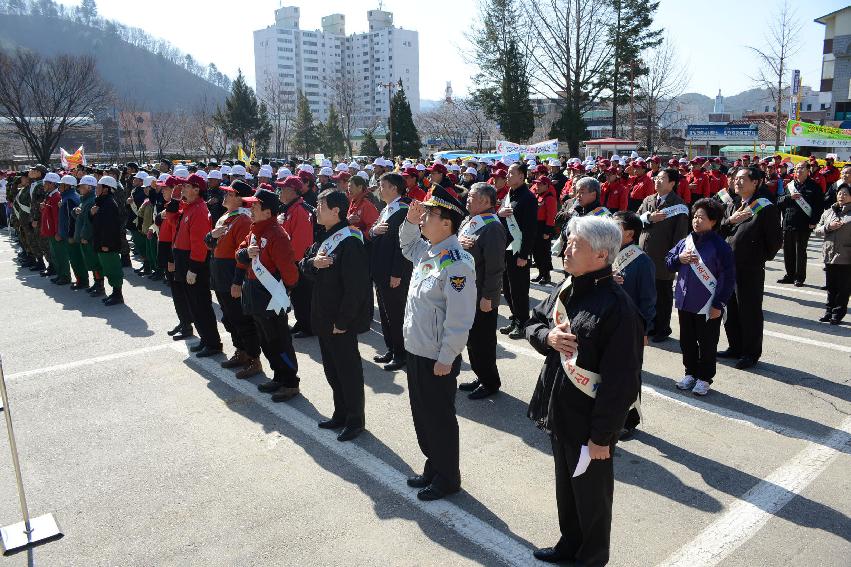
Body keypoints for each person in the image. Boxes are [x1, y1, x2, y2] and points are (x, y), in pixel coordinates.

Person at [525, 215, 642, 567]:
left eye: (576, 244)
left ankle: (591, 558)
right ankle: (569, 544)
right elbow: (534, 322)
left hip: (590, 422)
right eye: (568, 240)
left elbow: (622, 384)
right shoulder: (567, 288)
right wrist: (549, 337)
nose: (565, 248)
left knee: (592, 497)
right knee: (567, 489)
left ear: (602, 255)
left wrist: (602, 437)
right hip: (559, 410)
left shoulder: (618, 308)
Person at [399, 188, 477, 501]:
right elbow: (406, 245)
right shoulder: (430, 251)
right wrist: (409, 220)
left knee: (439, 418)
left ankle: (448, 477)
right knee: (422, 414)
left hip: (436, 357)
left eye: (429, 215)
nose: (423, 218)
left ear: (447, 223)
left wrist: (447, 357)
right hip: (417, 348)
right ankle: (434, 464)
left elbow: (460, 318)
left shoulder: (456, 262)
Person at [300, 189, 372, 441]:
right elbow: (304, 264)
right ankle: (340, 413)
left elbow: (357, 287)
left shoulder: (350, 240)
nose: (316, 210)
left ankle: (355, 419)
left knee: (348, 370)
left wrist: (343, 321)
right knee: (332, 369)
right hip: (323, 314)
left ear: (336, 211)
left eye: (320, 206)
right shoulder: (325, 236)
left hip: (340, 320)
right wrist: (313, 264)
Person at [235, 189, 301, 403]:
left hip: (272, 299)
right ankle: (278, 375)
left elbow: (290, 272)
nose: (250, 209)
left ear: (267, 211)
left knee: (280, 342)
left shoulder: (276, 234)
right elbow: (240, 252)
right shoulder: (255, 230)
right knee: (267, 341)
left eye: (255, 206)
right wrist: (246, 253)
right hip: (256, 296)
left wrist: (285, 292)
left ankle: (290, 381)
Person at [665, 199, 735, 396]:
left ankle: (704, 378)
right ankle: (690, 373)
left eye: (701, 217)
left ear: (713, 221)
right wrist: (679, 259)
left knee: (707, 342)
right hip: (684, 301)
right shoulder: (685, 241)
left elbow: (728, 278)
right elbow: (668, 262)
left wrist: (718, 304)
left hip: (707, 303)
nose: (696, 221)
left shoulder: (720, 246)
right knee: (686, 341)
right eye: (694, 216)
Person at [719, 166, 782, 370]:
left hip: (750, 268)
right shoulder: (733, 205)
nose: (737, 182)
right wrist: (729, 221)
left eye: (742, 179)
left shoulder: (765, 207)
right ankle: (735, 346)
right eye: (735, 178)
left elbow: (774, 241)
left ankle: (750, 353)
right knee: (730, 309)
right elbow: (720, 230)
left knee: (750, 311)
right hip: (727, 267)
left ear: (755, 182)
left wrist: (757, 258)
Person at [205, 180, 262, 378]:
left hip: (231, 272)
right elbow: (210, 245)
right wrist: (211, 236)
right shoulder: (226, 217)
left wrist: (238, 281)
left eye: (230, 194)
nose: (225, 196)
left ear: (240, 198)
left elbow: (242, 254)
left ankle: (254, 358)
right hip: (219, 271)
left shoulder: (243, 220)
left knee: (241, 319)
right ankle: (241, 351)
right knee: (229, 318)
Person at [458, 182, 507, 400]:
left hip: (482, 295)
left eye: (472, 197)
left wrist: (489, 296)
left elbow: (496, 267)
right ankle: (480, 375)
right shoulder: (469, 220)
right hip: (467, 291)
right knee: (472, 339)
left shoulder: (492, 226)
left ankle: (490, 382)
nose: (467, 199)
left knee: (483, 342)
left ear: (486, 201)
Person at [610, 210, 655, 437]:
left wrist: (645, 329)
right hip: (608, 323)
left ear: (629, 234)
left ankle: (630, 419)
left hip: (631, 326)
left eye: (615, 226)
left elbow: (648, 300)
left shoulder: (642, 261)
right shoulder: (608, 254)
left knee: (630, 373)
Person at [636, 167, 691, 343]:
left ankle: (662, 328)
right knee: (646, 293)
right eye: (656, 178)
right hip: (644, 255)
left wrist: (673, 258)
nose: (657, 181)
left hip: (663, 258)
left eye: (662, 179)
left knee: (662, 295)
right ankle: (649, 325)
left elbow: (680, 237)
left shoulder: (678, 205)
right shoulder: (648, 200)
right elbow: (636, 219)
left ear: (672, 183)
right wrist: (649, 218)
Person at [172, 174, 222, 357]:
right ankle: (206, 339)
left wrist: (193, 268)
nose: (183, 189)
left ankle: (213, 343)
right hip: (185, 260)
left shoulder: (199, 210)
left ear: (196, 190)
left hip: (194, 263)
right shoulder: (189, 207)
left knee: (201, 305)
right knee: (194, 305)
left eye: (187, 186)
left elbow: (199, 243)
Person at [369, 172, 413, 371]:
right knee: (386, 314)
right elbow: (374, 229)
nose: (379, 189)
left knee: (396, 314)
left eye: (383, 185)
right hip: (380, 269)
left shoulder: (403, 210)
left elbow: (402, 246)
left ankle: (401, 353)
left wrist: (397, 273)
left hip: (393, 272)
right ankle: (391, 348)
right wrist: (372, 231)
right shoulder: (388, 208)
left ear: (394, 188)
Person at [498, 162, 538, 339]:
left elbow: (530, 230)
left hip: (518, 251)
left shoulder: (528, 198)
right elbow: (502, 216)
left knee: (519, 289)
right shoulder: (510, 195)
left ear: (521, 176)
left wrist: (524, 254)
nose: (507, 176)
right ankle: (515, 318)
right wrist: (500, 213)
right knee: (507, 287)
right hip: (506, 249)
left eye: (511, 173)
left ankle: (522, 322)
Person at [276, 175, 315, 339]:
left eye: (282, 189)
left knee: (303, 295)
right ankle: (302, 322)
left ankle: (309, 327)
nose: (279, 192)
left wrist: (291, 263)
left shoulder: (299, 210)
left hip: (298, 262)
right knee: (298, 297)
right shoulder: (290, 208)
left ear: (292, 191)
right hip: (292, 261)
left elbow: (301, 243)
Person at [776, 162, 824, 287]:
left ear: (808, 170)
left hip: (803, 225)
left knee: (800, 252)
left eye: (802, 168)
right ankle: (789, 275)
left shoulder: (814, 187)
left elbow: (819, 206)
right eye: (797, 168)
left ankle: (799, 277)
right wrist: (789, 197)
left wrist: (814, 221)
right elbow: (779, 201)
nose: (798, 170)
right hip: (788, 222)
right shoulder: (790, 186)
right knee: (788, 251)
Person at [814, 184, 851, 325]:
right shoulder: (828, 212)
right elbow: (817, 231)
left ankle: (837, 314)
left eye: (845, 193)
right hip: (829, 254)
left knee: (843, 288)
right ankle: (828, 312)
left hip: (846, 256)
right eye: (840, 193)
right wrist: (828, 227)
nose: (842, 196)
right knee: (831, 287)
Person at [91, 175, 125, 306]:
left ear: (106, 189)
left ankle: (118, 294)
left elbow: (110, 227)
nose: (97, 189)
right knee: (108, 269)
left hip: (108, 244)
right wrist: (92, 214)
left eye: (99, 186)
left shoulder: (109, 204)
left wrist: (106, 244)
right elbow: (97, 223)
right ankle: (115, 293)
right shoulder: (101, 202)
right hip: (102, 243)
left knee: (113, 269)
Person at [72, 175, 101, 293]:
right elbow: (80, 217)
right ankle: (96, 283)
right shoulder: (85, 199)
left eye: (82, 187)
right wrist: (75, 211)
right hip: (85, 237)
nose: (80, 189)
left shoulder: (91, 200)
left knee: (95, 262)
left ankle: (100, 285)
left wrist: (85, 236)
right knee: (90, 261)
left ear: (89, 187)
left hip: (89, 238)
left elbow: (89, 222)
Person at [57, 175, 83, 287]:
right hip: (70, 234)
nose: (59, 187)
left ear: (67, 186)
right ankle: (81, 280)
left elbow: (70, 220)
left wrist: (70, 235)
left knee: (76, 259)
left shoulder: (69, 199)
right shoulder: (70, 197)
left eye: (61, 185)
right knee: (76, 258)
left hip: (70, 235)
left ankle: (82, 281)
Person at [531, 176, 558, 285]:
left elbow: (551, 216)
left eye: (540, 184)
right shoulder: (538, 196)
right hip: (536, 226)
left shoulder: (549, 198)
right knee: (536, 252)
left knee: (544, 252)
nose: (537, 186)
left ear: (546, 185)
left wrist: (547, 231)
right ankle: (541, 273)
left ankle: (546, 275)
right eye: (536, 184)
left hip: (544, 227)